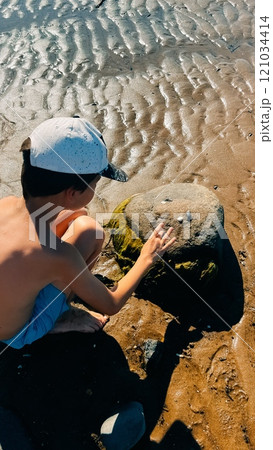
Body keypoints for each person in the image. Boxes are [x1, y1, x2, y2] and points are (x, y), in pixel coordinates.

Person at [0, 115, 176, 351]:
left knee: (78, 218)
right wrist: (147, 257)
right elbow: (111, 305)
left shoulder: (6, 204)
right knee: (91, 232)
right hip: (15, 334)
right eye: (94, 183)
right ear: (72, 192)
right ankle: (59, 317)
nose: (95, 188)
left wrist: (70, 214)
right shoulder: (58, 256)